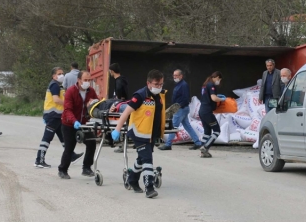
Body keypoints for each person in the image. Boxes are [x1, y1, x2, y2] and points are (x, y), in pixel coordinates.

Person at [111, 70, 166, 198]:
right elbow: (126, 113)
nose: (159, 87)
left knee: (141, 159)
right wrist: (117, 129)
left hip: (151, 134)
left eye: (161, 84)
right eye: (156, 84)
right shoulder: (140, 96)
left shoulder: (159, 96)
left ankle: (132, 179)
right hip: (139, 133)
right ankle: (149, 188)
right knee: (147, 159)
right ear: (148, 83)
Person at [35, 67, 82, 169]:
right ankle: (39, 160)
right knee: (47, 138)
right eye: (59, 73)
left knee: (63, 137)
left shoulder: (57, 85)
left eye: (62, 73)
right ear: (54, 76)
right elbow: (56, 100)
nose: (62, 75)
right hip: (53, 116)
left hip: (57, 116)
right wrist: (68, 104)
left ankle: (71, 155)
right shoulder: (54, 85)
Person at [58, 71, 99, 179]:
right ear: (79, 80)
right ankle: (63, 169)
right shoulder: (71, 91)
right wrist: (74, 121)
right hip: (69, 124)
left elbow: (97, 104)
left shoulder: (91, 91)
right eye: (85, 80)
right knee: (69, 147)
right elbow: (67, 110)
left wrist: (92, 105)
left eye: (89, 80)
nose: (87, 82)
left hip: (84, 123)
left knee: (91, 143)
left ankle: (86, 168)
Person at [159, 69, 203, 151]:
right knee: (187, 126)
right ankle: (197, 143)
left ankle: (168, 144)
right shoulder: (179, 84)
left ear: (181, 76)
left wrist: (178, 106)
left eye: (176, 75)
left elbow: (185, 98)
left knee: (173, 126)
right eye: (174, 75)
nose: (174, 77)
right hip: (182, 108)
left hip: (180, 109)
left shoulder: (183, 85)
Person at [198, 71, 226, 158]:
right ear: (217, 77)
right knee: (217, 130)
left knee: (207, 132)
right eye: (219, 79)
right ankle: (205, 147)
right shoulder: (211, 85)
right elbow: (213, 98)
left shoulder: (205, 85)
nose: (219, 81)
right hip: (207, 112)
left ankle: (203, 153)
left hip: (202, 111)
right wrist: (222, 99)